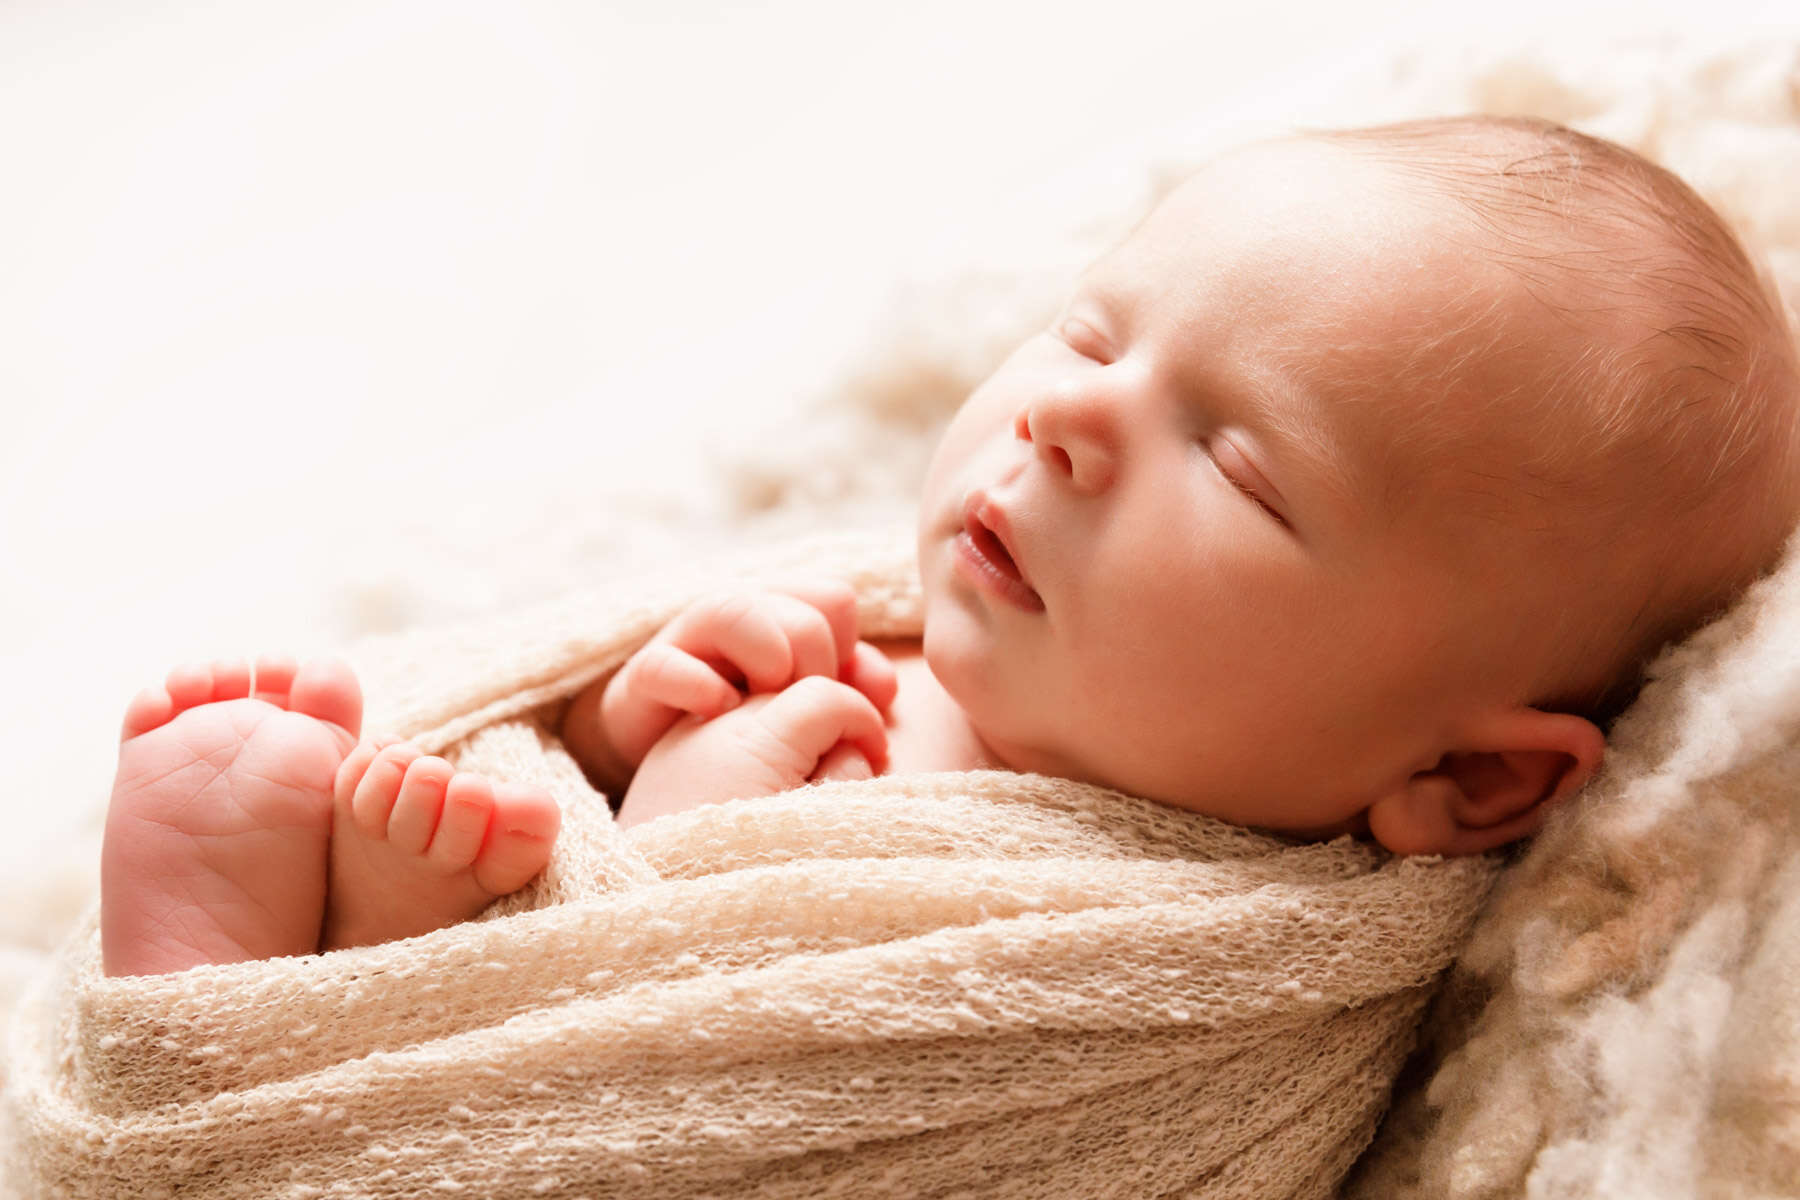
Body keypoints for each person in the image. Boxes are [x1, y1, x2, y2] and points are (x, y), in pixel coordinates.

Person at [98, 115, 1800, 978]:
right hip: (516, 976)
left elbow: (774, 1067)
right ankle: (336, 958)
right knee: (456, 801)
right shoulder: (893, 616)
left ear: (1475, 786)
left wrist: (691, 839)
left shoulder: (1165, 945)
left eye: (1237, 461)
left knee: (466, 905)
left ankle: (266, 986)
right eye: (1088, 336)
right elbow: (596, 738)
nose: (1066, 422)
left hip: (574, 1078)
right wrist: (622, 724)